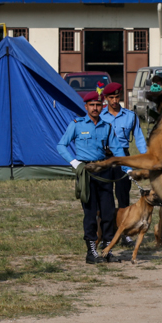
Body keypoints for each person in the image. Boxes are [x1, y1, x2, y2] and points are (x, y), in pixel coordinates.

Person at [57, 90, 124, 264]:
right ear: (86, 106)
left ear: (102, 106)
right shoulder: (77, 124)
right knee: (90, 213)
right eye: (92, 105)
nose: (95, 108)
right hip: (86, 172)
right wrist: (74, 163)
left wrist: (128, 169)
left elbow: (117, 150)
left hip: (104, 170)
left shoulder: (107, 127)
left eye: (98, 105)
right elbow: (61, 145)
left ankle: (107, 250)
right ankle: (91, 252)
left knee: (109, 212)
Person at [100, 81, 149, 247]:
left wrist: (145, 158)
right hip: (105, 159)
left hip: (124, 158)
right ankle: (106, 233)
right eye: (111, 97)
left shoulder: (130, 116)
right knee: (105, 197)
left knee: (123, 196)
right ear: (105, 98)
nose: (114, 100)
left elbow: (140, 138)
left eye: (117, 97)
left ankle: (126, 233)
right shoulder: (100, 116)